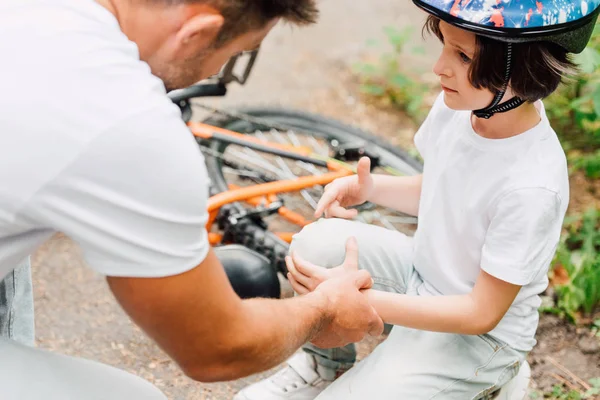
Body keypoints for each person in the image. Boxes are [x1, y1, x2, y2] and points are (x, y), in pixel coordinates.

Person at [0, 0, 385, 398]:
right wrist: (323, 312)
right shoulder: (129, 120)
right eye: (235, 54)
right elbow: (216, 347)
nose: (220, 70)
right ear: (196, 34)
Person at [234, 0, 600, 399]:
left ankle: (493, 379)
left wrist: (360, 300)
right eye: (444, 44)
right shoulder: (462, 106)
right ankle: (323, 368)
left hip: (480, 339)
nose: (439, 67)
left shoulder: (532, 186)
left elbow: (481, 313)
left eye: (462, 55)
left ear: (522, 67)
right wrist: (371, 190)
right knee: (315, 245)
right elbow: (443, 187)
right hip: (422, 277)